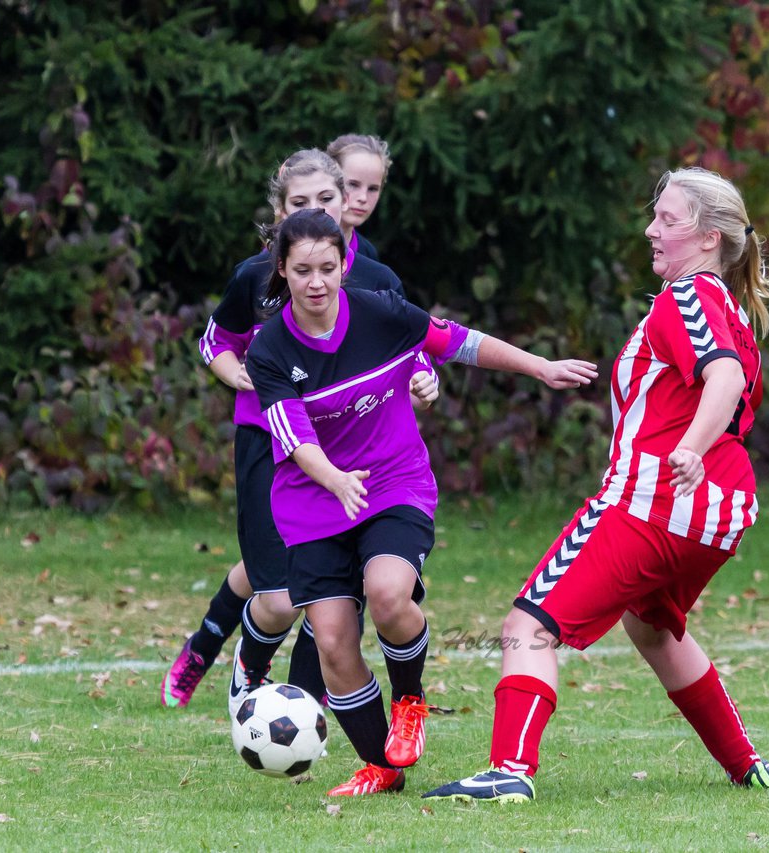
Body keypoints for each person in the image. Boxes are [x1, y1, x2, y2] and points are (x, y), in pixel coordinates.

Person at [422, 167, 769, 804]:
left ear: (709, 239)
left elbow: (725, 380)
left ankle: (509, 771)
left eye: (668, 219)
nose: (651, 229)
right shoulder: (728, 305)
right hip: (719, 510)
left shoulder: (689, 297)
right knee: (653, 629)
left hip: (655, 500)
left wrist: (686, 449)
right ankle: (748, 765)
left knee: (528, 624)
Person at [246, 208, 595, 796]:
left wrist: (541, 366)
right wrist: (332, 477)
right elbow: (294, 436)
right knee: (331, 639)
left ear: (343, 264)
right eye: (302, 270)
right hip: (314, 502)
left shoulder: (379, 312)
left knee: (387, 594)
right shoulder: (270, 350)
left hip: (392, 483)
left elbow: (457, 342)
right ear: (281, 269)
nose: (316, 283)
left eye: (327, 268)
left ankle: (410, 698)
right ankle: (383, 767)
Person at [162, 148, 423, 711]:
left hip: (350, 446)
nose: (317, 210)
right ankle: (230, 658)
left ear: (345, 202)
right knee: (277, 594)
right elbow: (216, 342)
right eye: (299, 202)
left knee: (333, 585)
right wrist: (241, 377)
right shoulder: (256, 277)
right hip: (272, 440)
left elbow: (408, 341)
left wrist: (423, 377)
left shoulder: (371, 276)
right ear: (278, 211)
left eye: (326, 199)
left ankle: (305, 703)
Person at [326, 134, 391, 263]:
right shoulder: (293, 243)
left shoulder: (368, 254)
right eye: (352, 184)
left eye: (373, 189)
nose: (363, 198)